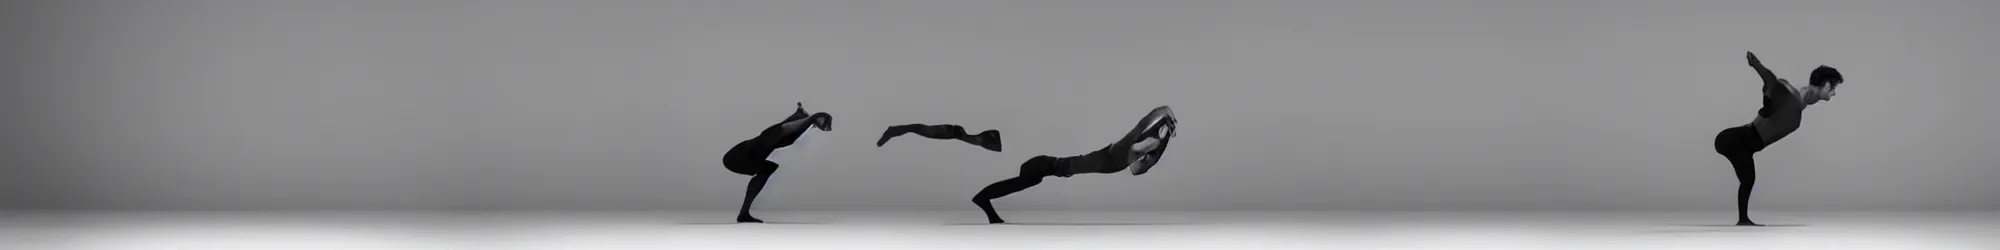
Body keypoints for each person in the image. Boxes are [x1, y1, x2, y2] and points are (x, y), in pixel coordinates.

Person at [878, 106, 1178, 224]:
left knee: (1023, 181)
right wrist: (1163, 125)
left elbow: (1142, 164)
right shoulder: (1118, 152)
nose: (1148, 147)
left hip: (1045, 166)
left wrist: (1162, 137)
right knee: (958, 135)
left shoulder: (1123, 159)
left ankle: (985, 201)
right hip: (1046, 163)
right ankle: (984, 200)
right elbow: (1143, 129)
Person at [1713, 51, 1843, 226]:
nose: (1833, 94)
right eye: (1833, 88)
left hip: (1742, 142)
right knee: (1748, 179)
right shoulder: (1790, 95)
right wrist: (1757, 65)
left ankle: (1743, 220)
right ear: (1826, 85)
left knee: (1748, 178)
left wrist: (1768, 103)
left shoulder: (1797, 106)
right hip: (1734, 140)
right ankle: (1743, 220)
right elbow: (1771, 80)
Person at [722, 102, 832, 223]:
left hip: (743, 157)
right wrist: (813, 118)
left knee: (769, 168)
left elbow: (792, 127)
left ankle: (744, 213)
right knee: (768, 168)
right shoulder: (775, 132)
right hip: (736, 157)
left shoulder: (786, 136)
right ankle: (744, 213)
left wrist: (807, 119)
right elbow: (788, 126)